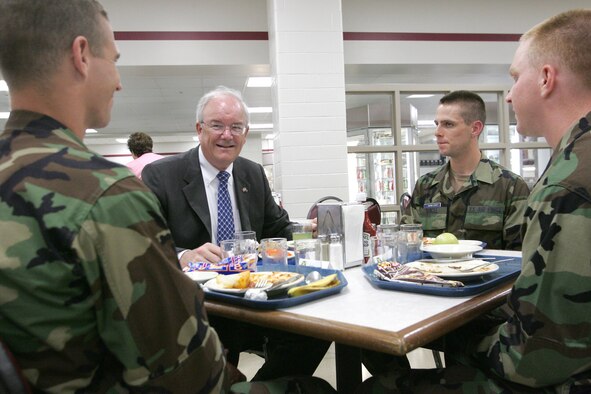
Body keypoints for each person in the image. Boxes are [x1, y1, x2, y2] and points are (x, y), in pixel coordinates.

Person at [0, 1, 241, 391]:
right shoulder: (105, 196)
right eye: (113, 60)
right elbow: (190, 373)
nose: (118, 81)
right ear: (81, 56)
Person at [358, 8, 591, 393]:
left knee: (375, 387)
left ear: (547, 78)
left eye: (516, 78)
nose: (511, 94)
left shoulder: (566, 187)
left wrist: (457, 338)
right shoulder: (570, 164)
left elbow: (536, 357)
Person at [142, 85, 331, 381]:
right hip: (200, 308)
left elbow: (277, 228)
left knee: (319, 329)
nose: (227, 135)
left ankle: (260, 388)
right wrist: (184, 255)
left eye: (236, 127)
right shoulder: (162, 175)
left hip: (253, 298)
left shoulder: (252, 173)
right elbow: (146, 244)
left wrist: (311, 235)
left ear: (245, 133)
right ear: (199, 129)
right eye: (217, 125)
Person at [400, 90, 530, 250]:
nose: (437, 132)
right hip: (433, 274)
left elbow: (519, 257)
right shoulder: (426, 186)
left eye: (448, 124)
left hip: (489, 275)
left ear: (475, 129)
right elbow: (408, 244)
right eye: (437, 124)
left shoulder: (510, 187)